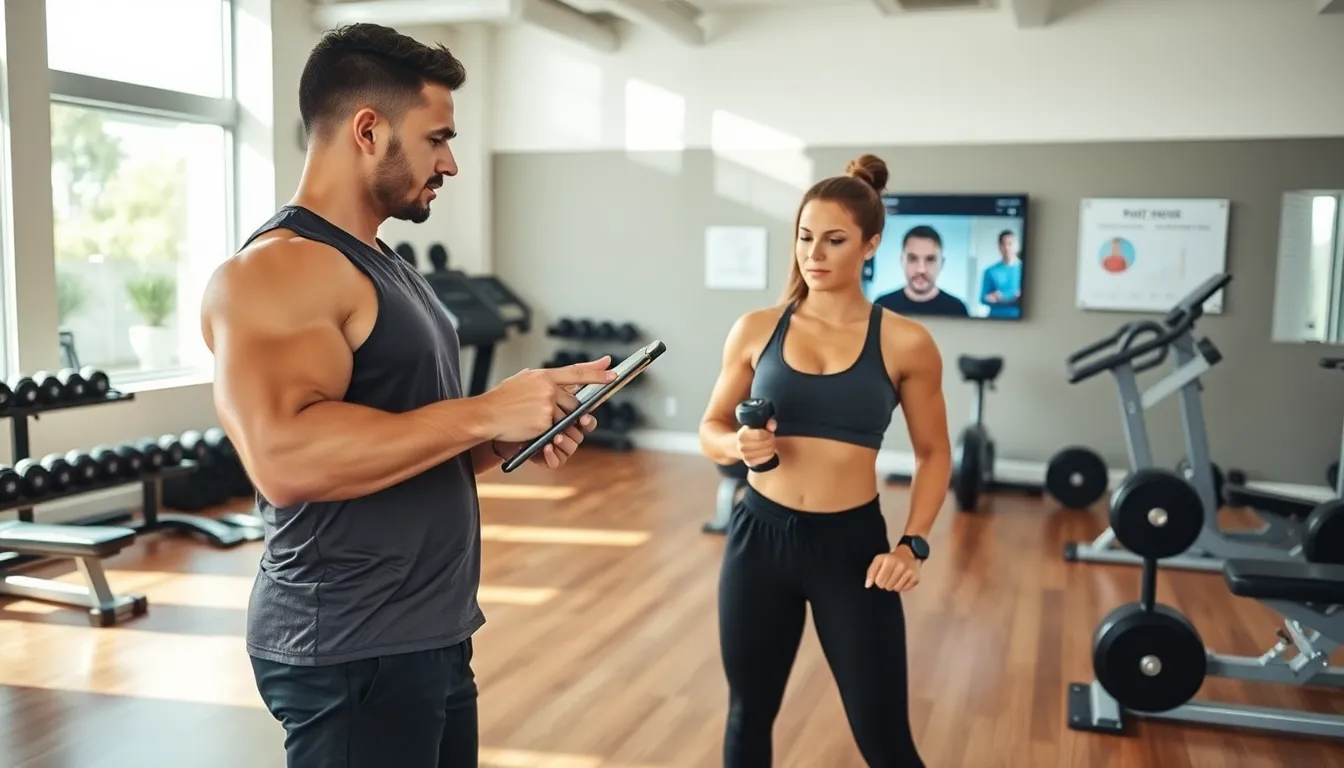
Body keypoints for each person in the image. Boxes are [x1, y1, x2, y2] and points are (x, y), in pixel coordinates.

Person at [199, 23, 617, 768]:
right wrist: (484, 410)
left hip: (426, 634)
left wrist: (499, 436)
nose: (449, 162)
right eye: (437, 138)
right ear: (368, 130)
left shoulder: (384, 264)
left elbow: (402, 444)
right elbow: (285, 460)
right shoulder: (278, 271)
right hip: (352, 649)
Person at [698, 153, 951, 767]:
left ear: (870, 245)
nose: (814, 253)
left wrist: (912, 544)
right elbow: (710, 428)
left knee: (885, 739)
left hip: (852, 550)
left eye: (834, 240)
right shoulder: (756, 328)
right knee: (747, 717)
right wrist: (736, 447)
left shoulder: (905, 341)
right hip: (758, 541)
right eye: (805, 237)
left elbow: (934, 453)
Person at [874, 225, 970, 317]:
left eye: (930, 259)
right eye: (913, 259)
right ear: (902, 261)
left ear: (942, 263)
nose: (921, 269)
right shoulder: (882, 306)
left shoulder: (957, 310)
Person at [978, 229, 1023, 319]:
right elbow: (983, 298)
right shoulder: (990, 271)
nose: (1007, 248)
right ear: (999, 246)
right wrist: (1011, 298)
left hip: (1018, 319)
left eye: (1010, 244)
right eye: (1003, 244)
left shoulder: (1024, 270)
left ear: (1016, 246)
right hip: (995, 319)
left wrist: (1002, 298)